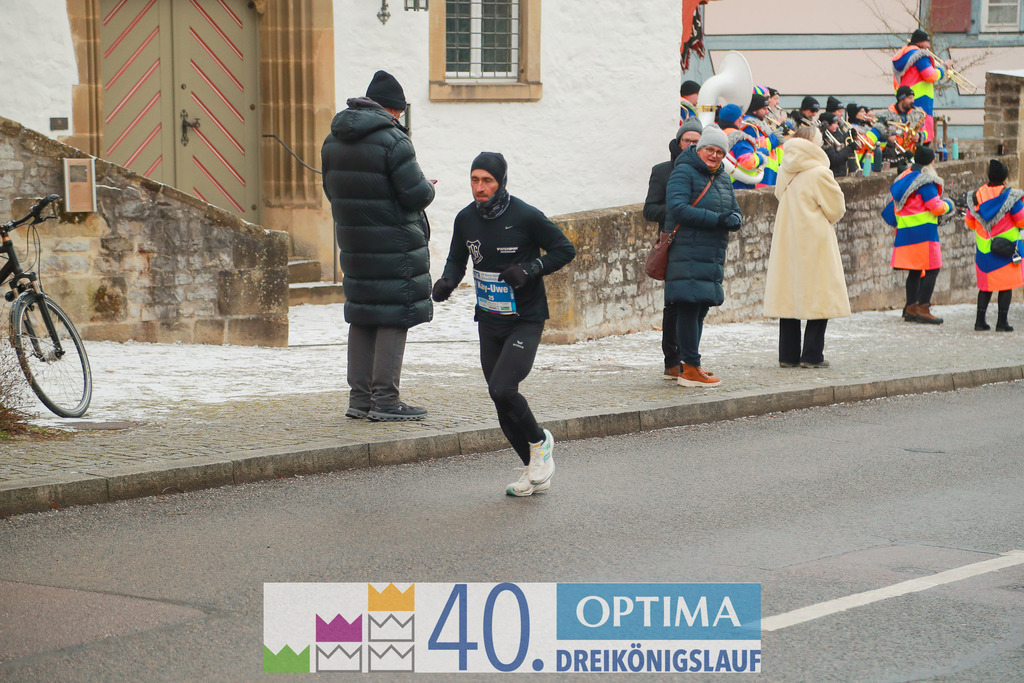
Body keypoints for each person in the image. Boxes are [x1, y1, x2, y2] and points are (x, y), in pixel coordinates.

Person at [431, 153, 575, 497]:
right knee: (501, 402)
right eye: (475, 179)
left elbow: (564, 249)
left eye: (487, 181)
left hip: (525, 318)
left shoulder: (525, 215)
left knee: (503, 389)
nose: (480, 187)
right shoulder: (465, 218)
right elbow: (457, 258)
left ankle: (540, 443)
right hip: (489, 319)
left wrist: (529, 269)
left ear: (501, 182)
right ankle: (534, 469)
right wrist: (448, 280)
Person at [320, 70, 435, 422]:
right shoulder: (394, 140)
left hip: (354, 243)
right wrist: (428, 186)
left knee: (363, 314)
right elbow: (416, 194)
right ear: (393, 110)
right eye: (399, 111)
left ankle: (360, 399)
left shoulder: (333, 140)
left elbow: (331, 191)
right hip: (394, 245)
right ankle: (386, 399)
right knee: (393, 315)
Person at [763, 125, 849, 368]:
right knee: (821, 295)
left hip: (788, 238)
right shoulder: (819, 172)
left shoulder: (785, 169)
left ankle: (787, 355)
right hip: (815, 241)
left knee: (788, 295)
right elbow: (836, 209)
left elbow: (779, 195)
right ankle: (812, 355)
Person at [664, 124, 742, 387]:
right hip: (687, 251)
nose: (714, 155)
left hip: (711, 254)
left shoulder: (722, 177)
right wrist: (718, 220)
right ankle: (689, 368)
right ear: (699, 149)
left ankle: (692, 365)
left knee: (700, 308)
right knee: (689, 307)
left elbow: (734, 208)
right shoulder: (684, 171)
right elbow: (678, 208)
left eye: (720, 152)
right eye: (710, 149)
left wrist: (735, 219)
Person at [643, 118, 704, 380]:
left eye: (696, 142)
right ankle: (672, 361)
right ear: (678, 142)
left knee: (697, 303)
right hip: (674, 243)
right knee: (674, 304)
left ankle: (691, 360)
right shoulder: (662, 171)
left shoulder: (707, 171)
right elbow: (649, 210)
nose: (691, 145)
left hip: (700, 244)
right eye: (687, 141)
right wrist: (680, 209)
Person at [882, 146, 954, 324]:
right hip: (924, 232)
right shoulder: (925, 181)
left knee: (914, 271)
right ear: (931, 162)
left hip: (906, 230)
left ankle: (910, 307)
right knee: (932, 269)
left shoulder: (905, 177)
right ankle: (923, 308)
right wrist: (949, 205)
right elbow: (936, 207)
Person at [965, 159, 1024, 331]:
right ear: (1005, 177)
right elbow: (1021, 220)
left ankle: (980, 321)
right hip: (1007, 249)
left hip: (984, 249)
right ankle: (1002, 322)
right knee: (1006, 287)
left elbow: (969, 223)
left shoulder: (976, 197)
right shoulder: (1011, 197)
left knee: (985, 287)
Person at [892, 29, 948, 144]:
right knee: (923, 136)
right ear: (920, 42)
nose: (928, 48)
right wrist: (943, 68)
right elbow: (931, 75)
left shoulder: (905, 54)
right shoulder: (920, 55)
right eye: (927, 43)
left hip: (907, 98)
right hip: (921, 100)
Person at [717, 103, 765, 190]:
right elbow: (748, 162)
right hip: (739, 185)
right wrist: (760, 156)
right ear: (738, 119)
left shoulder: (717, 134)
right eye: (742, 117)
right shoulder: (740, 138)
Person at [742, 92, 782, 187]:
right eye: (764, 109)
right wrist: (776, 137)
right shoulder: (750, 126)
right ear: (754, 110)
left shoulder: (761, 123)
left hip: (768, 171)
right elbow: (760, 145)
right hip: (760, 172)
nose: (767, 112)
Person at [818, 112, 856, 178]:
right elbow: (834, 159)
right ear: (827, 125)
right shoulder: (825, 139)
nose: (837, 126)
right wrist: (848, 148)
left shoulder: (838, 134)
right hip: (832, 175)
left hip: (841, 173)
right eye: (834, 124)